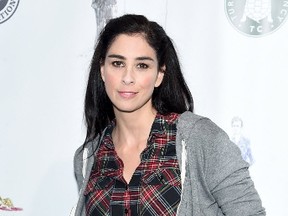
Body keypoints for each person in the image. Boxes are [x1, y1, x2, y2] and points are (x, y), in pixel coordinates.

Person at [72, 14, 265, 216]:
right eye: (118, 63)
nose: (127, 78)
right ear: (102, 70)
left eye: (142, 65)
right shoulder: (88, 157)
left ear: (159, 75)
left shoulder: (199, 139)